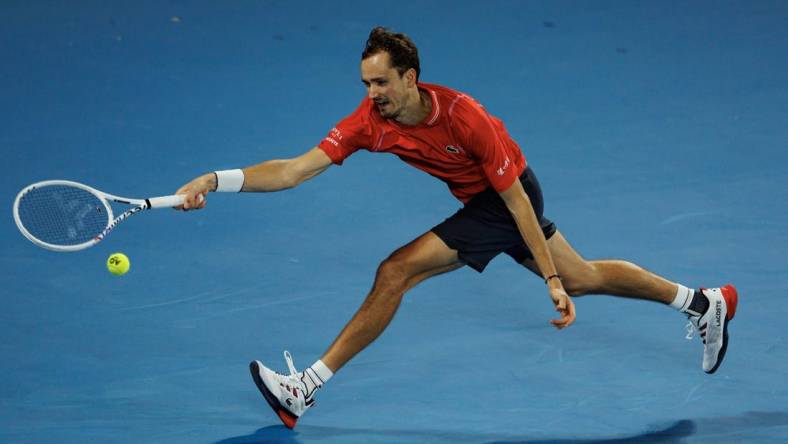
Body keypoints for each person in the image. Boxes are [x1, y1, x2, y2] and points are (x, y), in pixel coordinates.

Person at [175, 27, 738, 429]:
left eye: (380, 84)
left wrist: (548, 282)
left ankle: (305, 390)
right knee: (586, 274)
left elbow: (516, 203)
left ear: (410, 78)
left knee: (396, 271)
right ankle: (701, 301)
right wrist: (216, 179)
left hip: (506, 199)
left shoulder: (465, 117)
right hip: (486, 204)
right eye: (366, 84)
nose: (371, 95)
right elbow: (295, 170)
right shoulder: (370, 123)